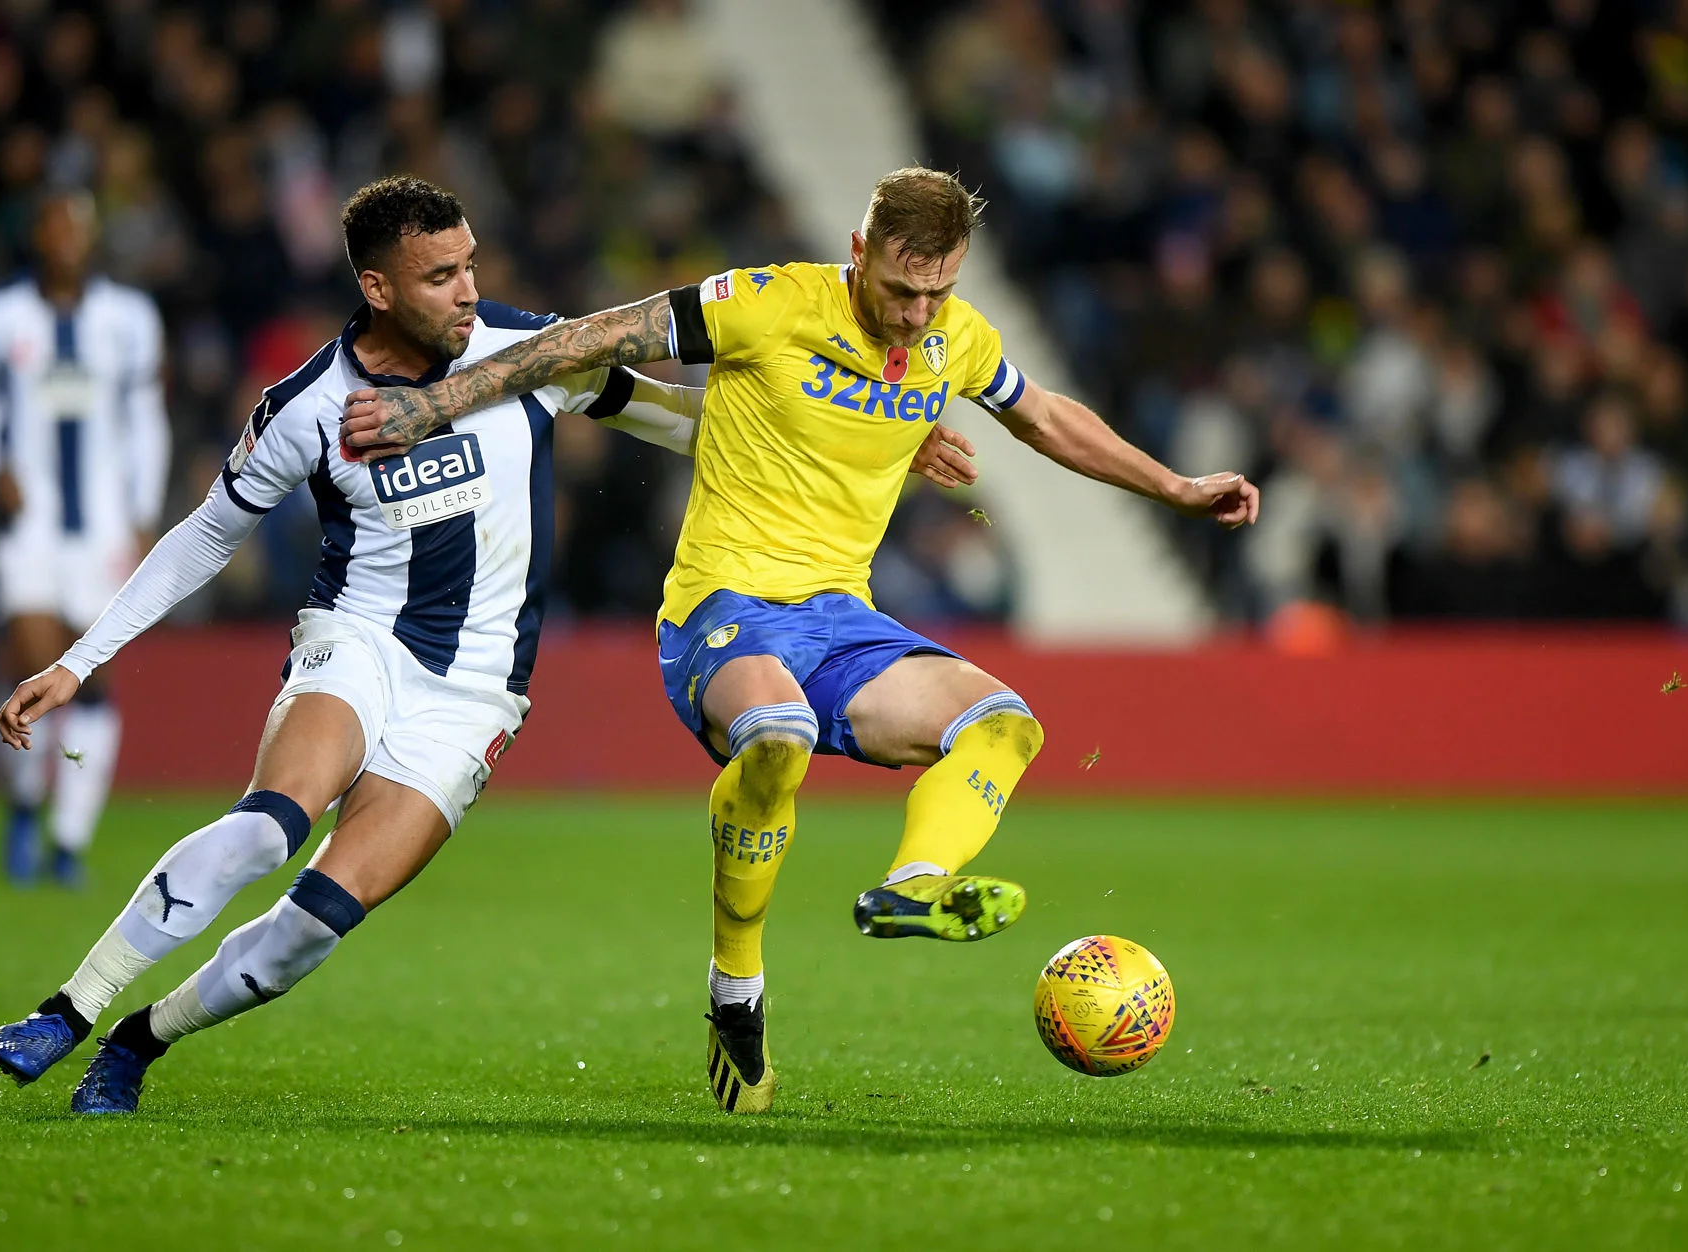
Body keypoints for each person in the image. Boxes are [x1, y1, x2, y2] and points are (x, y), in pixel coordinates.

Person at [0, 176, 976, 1114]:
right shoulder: (308, 407)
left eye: (469, 266)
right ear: (377, 288)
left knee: (311, 927)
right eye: (439, 276)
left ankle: (140, 1041)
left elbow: (687, 420)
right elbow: (207, 535)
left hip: (476, 695)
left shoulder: (525, 353)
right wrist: (78, 662)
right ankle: (68, 1008)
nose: (467, 291)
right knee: (270, 825)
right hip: (358, 641)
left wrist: (874, 439)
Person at [337, 168, 1260, 1114]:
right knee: (778, 734)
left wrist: (1177, 488)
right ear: (859, 253)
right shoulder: (768, 303)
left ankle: (915, 883)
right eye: (900, 290)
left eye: (938, 292)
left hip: (840, 619)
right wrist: (434, 405)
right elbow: (590, 339)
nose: (917, 314)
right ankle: (736, 992)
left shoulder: (955, 337)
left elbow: (1047, 415)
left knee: (1005, 724)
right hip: (720, 606)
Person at [0, 190, 170, 886]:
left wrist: (143, 509)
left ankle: (68, 844)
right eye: (55, 225)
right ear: (37, 236)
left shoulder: (130, 319)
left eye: (78, 226)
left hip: (102, 520)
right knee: (36, 662)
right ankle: (23, 804)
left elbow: (146, 420)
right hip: (30, 521)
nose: (67, 238)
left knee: (92, 680)